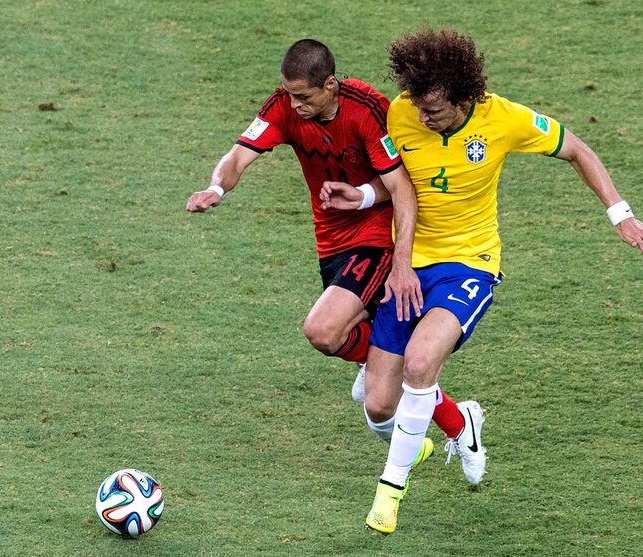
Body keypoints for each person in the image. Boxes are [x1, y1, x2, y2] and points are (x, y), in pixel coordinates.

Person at [322, 28, 643, 534]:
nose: (422, 116)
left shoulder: (502, 118)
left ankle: (389, 491)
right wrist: (365, 198)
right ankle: (461, 422)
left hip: (469, 264)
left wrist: (623, 216)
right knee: (376, 406)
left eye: (434, 110)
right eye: (417, 105)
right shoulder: (399, 112)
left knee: (420, 363)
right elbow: (398, 181)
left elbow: (578, 150)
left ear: (465, 98)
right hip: (408, 265)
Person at [186, 39, 472, 462]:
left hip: (375, 236)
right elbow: (237, 156)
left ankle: (429, 404)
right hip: (330, 242)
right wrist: (215, 188)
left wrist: (399, 257)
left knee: (322, 330)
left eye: (303, 96)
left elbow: (400, 185)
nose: (294, 104)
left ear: (330, 85)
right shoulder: (282, 107)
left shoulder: (367, 109)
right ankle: (455, 419)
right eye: (288, 94)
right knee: (357, 366)